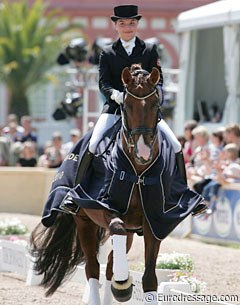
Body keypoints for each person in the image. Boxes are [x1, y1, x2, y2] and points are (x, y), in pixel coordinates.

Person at [61, 4, 206, 215]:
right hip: (115, 108)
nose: (127, 27)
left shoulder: (149, 50)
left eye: (131, 23)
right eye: (122, 23)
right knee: (92, 143)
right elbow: (103, 82)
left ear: (137, 24)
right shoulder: (108, 52)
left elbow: (159, 81)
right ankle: (76, 194)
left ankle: (183, 194)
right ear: (116, 26)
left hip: (145, 110)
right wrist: (116, 95)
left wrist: (155, 99)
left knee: (175, 144)